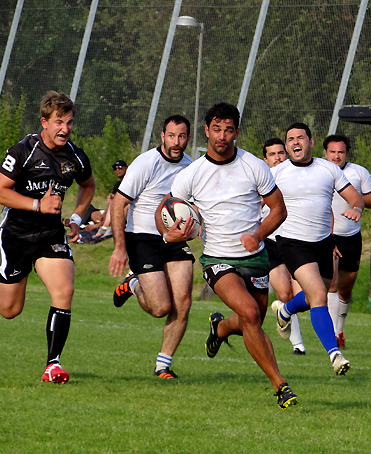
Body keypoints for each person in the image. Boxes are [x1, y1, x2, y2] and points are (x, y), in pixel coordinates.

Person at [161, 103, 298, 409]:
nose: (222, 136)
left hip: (255, 257)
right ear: (207, 130)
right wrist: (168, 232)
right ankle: (281, 385)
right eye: (216, 129)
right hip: (217, 258)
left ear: (236, 132)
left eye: (229, 130)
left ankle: (220, 328)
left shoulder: (254, 166)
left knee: (253, 320)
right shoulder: (193, 173)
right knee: (250, 314)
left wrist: (258, 236)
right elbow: (166, 209)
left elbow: (279, 209)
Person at [0, 91, 96, 383]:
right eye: (59, 122)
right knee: (10, 310)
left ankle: (53, 364)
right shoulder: (24, 150)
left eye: (69, 122)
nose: (65, 129)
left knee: (64, 291)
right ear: (45, 122)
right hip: (15, 234)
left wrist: (76, 216)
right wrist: (37, 204)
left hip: (50, 235)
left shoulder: (75, 156)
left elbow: (88, 186)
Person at [271, 122, 364, 376]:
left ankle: (285, 309)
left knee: (316, 295)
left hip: (323, 242)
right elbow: (259, 201)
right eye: (290, 139)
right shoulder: (277, 173)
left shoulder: (329, 169)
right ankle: (335, 355)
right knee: (320, 297)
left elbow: (355, 197)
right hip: (291, 242)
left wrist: (356, 208)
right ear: (287, 145)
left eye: (300, 137)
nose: (295, 142)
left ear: (311, 142)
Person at [108, 115, 195, 379]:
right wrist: (119, 247)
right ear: (162, 136)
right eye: (171, 136)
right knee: (160, 308)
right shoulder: (146, 163)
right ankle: (133, 283)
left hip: (175, 240)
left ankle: (163, 366)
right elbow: (119, 204)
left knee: (183, 302)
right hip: (142, 237)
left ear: (188, 138)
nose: (176, 142)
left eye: (181, 136)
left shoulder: (191, 167)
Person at [324, 134, 371, 348]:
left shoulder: (358, 172)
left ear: (347, 153)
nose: (336, 156)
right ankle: (334, 336)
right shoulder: (320, 172)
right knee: (333, 284)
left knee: (346, 289)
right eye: (332, 152)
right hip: (328, 235)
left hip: (351, 237)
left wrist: (355, 200)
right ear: (325, 153)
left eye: (341, 152)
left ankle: (340, 327)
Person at [262, 138, 307, 355]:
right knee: (284, 292)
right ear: (265, 159)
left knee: (305, 295)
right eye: (272, 154)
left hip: (295, 240)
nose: (277, 157)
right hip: (270, 243)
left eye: (281, 153)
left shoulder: (295, 178)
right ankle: (298, 345)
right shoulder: (261, 179)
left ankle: (284, 312)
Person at [95, 160, 129, 238]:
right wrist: (105, 212)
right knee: (94, 214)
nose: (117, 170)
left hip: (127, 209)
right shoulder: (117, 184)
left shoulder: (130, 183)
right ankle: (104, 227)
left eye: (120, 168)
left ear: (127, 168)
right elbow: (110, 203)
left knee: (119, 203)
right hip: (114, 209)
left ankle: (106, 227)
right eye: (115, 168)